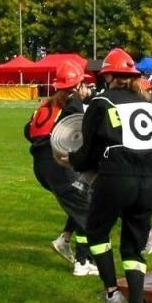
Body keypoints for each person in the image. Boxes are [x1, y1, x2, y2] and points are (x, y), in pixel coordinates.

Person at [65, 47, 152, 303]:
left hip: (117, 176)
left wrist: (69, 158)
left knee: (96, 231)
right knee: (134, 246)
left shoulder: (101, 102)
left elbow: (88, 152)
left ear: (108, 76)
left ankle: (111, 293)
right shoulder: (149, 103)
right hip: (150, 179)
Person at [25, 62, 95, 276]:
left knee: (80, 199)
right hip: (58, 165)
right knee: (87, 210)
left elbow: (28, 132)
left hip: (41, 164)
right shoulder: (72, 104)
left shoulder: (46, 104)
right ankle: (83, 262)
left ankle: (64, 239)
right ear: (78, 85)